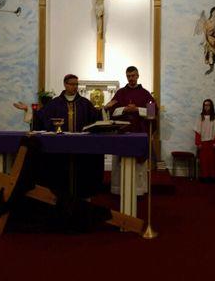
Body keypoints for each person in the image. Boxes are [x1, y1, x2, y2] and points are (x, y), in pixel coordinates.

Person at [39, 74, 103, 199]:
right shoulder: (55, 103)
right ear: (65, 84)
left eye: (76, 84)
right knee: (60, 175)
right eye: (72, 84)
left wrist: (105, 110)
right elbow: (41, 117)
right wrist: (29, 111)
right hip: (60, 150)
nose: (75, 87)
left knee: (81, 176)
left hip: (81, 150)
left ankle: (82, 199)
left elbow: (96, 119)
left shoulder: (85, 103)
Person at [105, 66, 155, 195]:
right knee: (120, 163)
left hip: (139, 131)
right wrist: (124, 110)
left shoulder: (145, 94)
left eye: (133, 75)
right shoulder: (120, 93)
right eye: (128, 76)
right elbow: (111, 109)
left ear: (138, 76)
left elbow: (152, 112)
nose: (131, 78)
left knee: (138, 164)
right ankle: (119, 189)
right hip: (122, 133)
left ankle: (138, 190)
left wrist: (137, 109)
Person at [194, 99, 215, 180]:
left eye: (208, 105)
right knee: (204, 161)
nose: (207, 107)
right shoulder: (200, 117)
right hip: (203, 143)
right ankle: (205, 176)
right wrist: (198, 143)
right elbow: (197, 131)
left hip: (212, 142)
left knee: (213, 161)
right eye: (205, 105)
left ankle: (213, 177)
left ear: (211, 106)